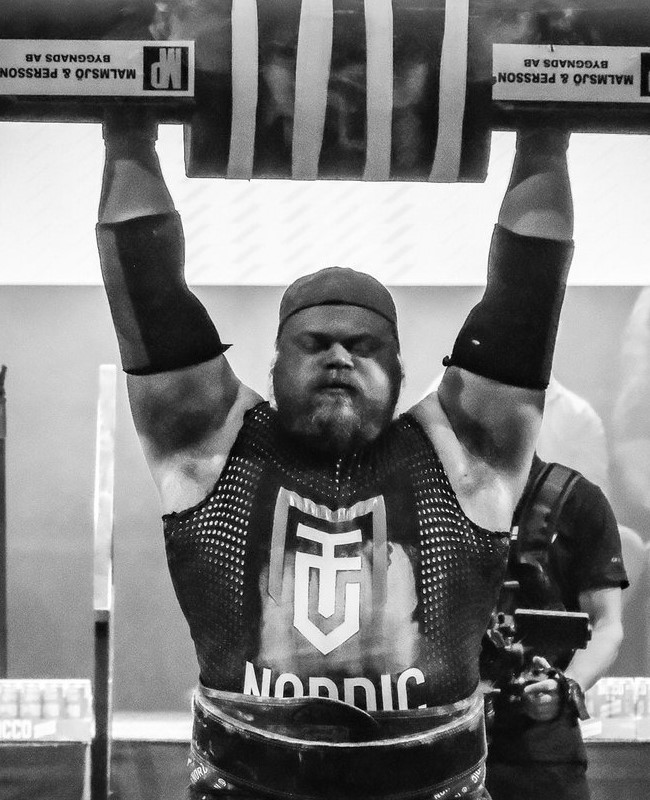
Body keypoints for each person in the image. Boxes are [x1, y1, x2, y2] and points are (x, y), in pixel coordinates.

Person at [96, 114, 574, 800]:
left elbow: (528, 294)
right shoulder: (208, 442)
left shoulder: (466, 452)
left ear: (401, 367)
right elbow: (147, 290)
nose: (341, 357)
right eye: (315, 343)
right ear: (276, 362)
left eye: (365, 346)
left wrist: (545, 141)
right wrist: (127, 136)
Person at [483, 454, 627, 800]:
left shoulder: (579, 499)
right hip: (451, 740)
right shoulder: (434, 497)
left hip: (543, 746)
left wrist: (565, 685)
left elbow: (607, 625)